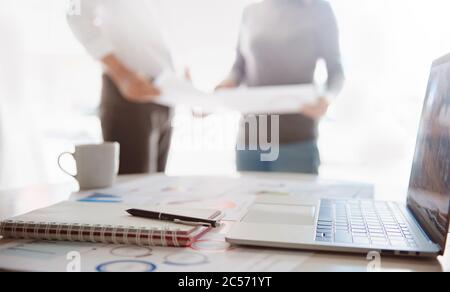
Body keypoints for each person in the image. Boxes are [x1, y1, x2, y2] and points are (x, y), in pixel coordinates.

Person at [217, 0, 345, 174]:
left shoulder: (318, 9)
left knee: (296, 201)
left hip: (296, 139)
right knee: (248, 201)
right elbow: (239, 67)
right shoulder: (250, 12)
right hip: (251, 136)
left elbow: (336, 71)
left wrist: (326, 98)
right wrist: (227, 83)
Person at [67, 0, 173, 174]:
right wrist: (121, 73)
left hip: (166, 94)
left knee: (155, 189)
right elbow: (76, 14)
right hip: (128, 94)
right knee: (132, 191)